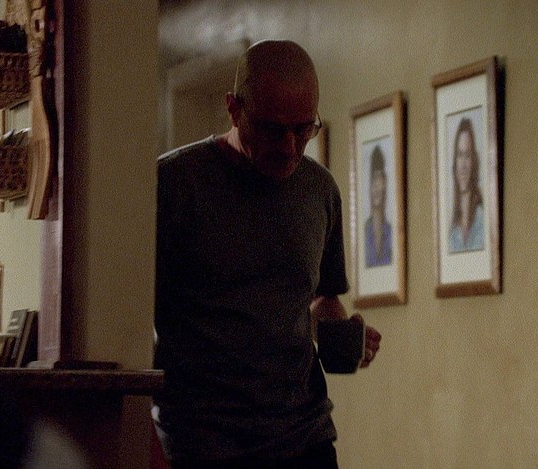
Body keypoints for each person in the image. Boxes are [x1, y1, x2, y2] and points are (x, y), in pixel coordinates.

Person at [152, 40, 382, 468]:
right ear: (233, 109)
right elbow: (127, 318)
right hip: (203, 445)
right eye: (274, 130)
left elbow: (322, 299)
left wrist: (343, 338)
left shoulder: (319, 190)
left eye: (304, 129)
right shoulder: (173, 184)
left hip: (304, 438)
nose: (291, 147)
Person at [449, 117, 485, 253]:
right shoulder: (452, 230)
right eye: (459, 155)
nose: (463, 165)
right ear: (455, 163)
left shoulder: (482, 218)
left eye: (467, 155)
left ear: (474, 162)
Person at [363, 145, 392, 267]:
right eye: (373, 179)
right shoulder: (365, 231)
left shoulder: (390, 231)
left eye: (379, 178)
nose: (376, 186)